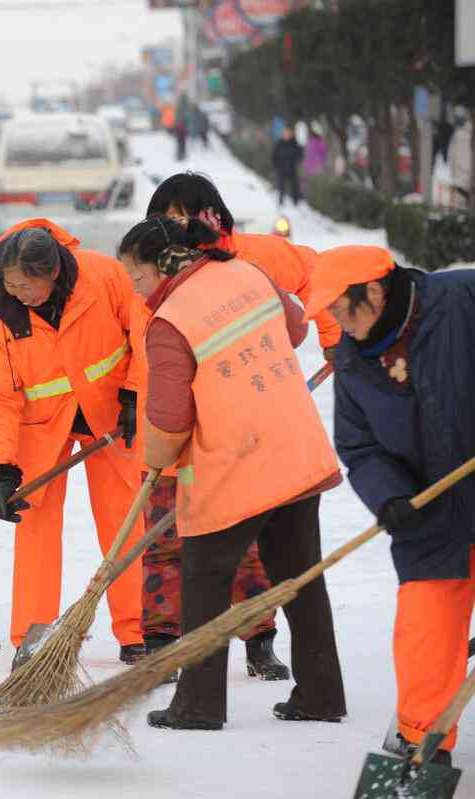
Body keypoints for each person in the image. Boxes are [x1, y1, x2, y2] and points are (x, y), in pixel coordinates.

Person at [119, 216, 346, 731]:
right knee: (302, 577)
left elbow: (171, 418)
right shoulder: (248, 272)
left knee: (203, 579)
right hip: (293, 447)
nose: (136, 289)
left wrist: (155, 460)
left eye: (136, 277)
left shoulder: (170, 321)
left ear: (161, 265)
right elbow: (295, 325)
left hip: (235, 464)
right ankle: (321, 694)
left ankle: (197, 706)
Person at [305, 245, 475, 766]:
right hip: (431, 517)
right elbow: (360, 446)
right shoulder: (355, 362)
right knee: (425, 632)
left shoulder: (462, 299)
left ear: (374, 291)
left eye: (339, 308)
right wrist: (390, 497)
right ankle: (423, 746)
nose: (335, 322)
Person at [0, 220, 148, 663]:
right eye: (11, 285)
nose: (19, 294)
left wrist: (134, 392)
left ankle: (139, 632)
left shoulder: (103, 277)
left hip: (112, 415)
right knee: (35, 527)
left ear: (53, 273)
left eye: (28, 285)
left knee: (126, 521)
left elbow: (145, 333)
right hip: (40, 426)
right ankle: (33, 639)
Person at [121, 223, 290, 681]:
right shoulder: (146, 304)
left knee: (241, 548)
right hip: (166, 443)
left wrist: (160, 446)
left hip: (215, 446)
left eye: (137, 278)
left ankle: (259, 640)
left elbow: (290, 323)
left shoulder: (203, 295)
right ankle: (161, 646)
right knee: (162, 549)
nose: (134, 290)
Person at [145, 172, 342, 359]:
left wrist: (334, 340)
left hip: (260, 376)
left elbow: (312, 272)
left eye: (176, 219)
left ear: (211, 217)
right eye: (161, 221)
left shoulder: (255, 255)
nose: (167, 230)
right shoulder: (149, 274)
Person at [273, 127, 304, 206]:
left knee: (294, 185)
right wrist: (275, 165)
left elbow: (300, 154)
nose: (287, 135)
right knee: (281, 185)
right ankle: (281, 201)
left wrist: (298, 159)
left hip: (292, 168)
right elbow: (274, 155)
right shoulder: (279, 143)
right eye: (285, 133)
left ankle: (295, 201)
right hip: (281, 168)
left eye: (288, 133)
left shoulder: (295, 143)